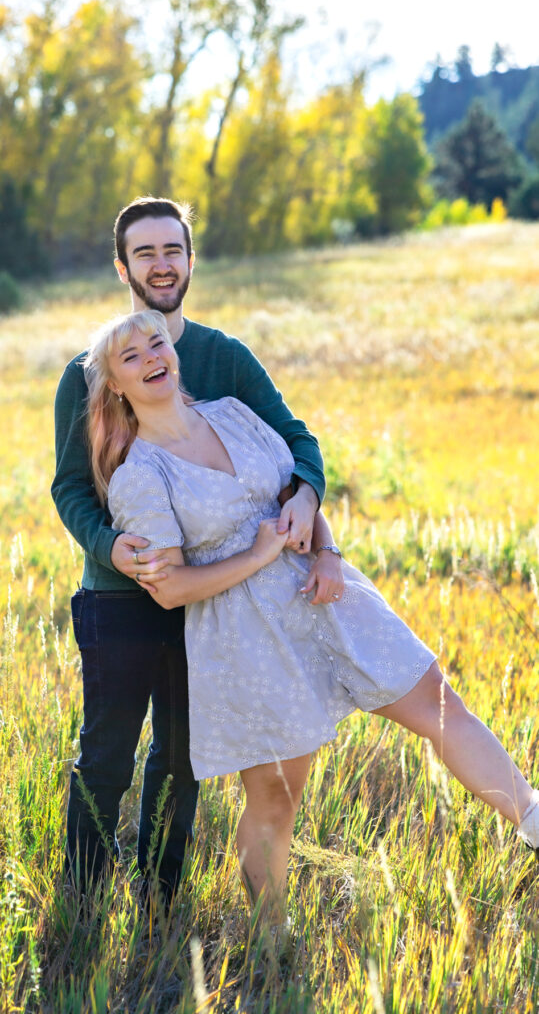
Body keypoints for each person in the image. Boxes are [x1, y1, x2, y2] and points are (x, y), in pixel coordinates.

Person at [84, 306, 539, 921]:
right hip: (246, 635)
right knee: (277, 800)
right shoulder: (139, 475)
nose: (151, 360)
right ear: (115, 383)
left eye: (156, 344)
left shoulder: (233, 413)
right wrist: (257, 555)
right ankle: (271, 942)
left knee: (438, 701)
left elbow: (294, 492)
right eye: (131, 357)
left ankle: (533, 821)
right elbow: (169, 590)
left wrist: (326, 550)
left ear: (174, 350)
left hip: (322, 593)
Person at [51, 197, 334, 903]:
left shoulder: (223, 357)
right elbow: (70, 487)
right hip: (119, 596)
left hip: (210, 596)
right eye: (144, 253)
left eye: (171, 250)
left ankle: (158, 898)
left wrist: (307, 497)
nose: (160, 264)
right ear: (122, 268)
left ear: (189, 260)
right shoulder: (87, 370)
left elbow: (297, 442)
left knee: (181, 757)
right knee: (106, 755)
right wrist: (111, 549)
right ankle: (83, 899)